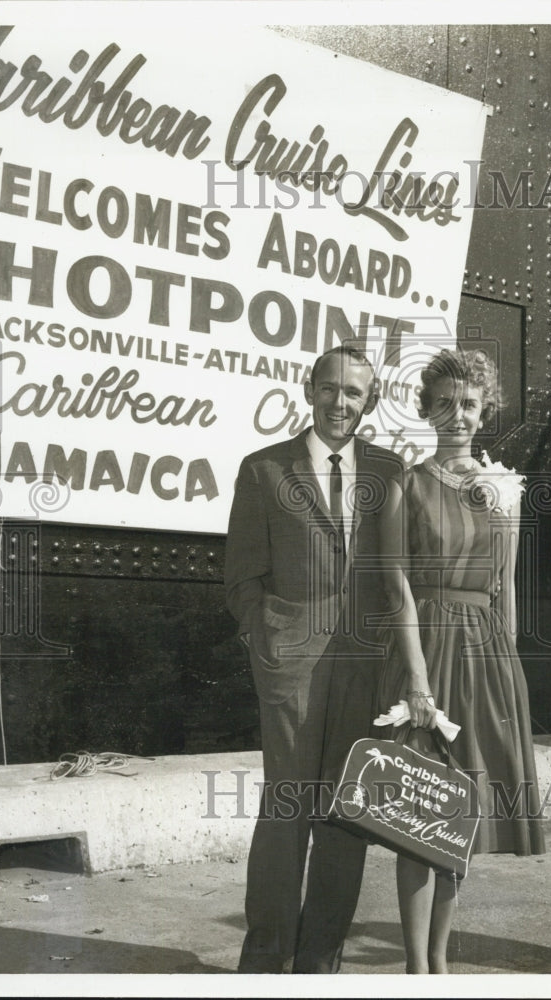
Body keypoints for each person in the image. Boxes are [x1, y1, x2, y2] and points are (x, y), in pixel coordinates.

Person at [224, 344, 404, 974]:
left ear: (370, 401)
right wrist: (268, 641)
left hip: (364, 665)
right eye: (329, 388)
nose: (340, 403)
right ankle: (266, 960)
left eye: (353, 392)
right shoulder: (263, 469)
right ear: (309, 390)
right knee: (287, 806)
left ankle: (320, 963)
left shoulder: (389, 471)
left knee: (346, 814)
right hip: (290, 664)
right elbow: (242, 576)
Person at [376, 348, 545, 974]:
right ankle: (416, 967)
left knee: (461, 815)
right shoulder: (406, 482)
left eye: (469, 404)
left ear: (485, 410)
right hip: (429, 652)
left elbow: (507, 592)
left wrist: (512, 681)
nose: (457, 415)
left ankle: (441, 963)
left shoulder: (504, 486)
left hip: (486, 657)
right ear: (427, 408)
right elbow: (396, 585)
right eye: (444, 403)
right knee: (420, 813)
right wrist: (417, 679)